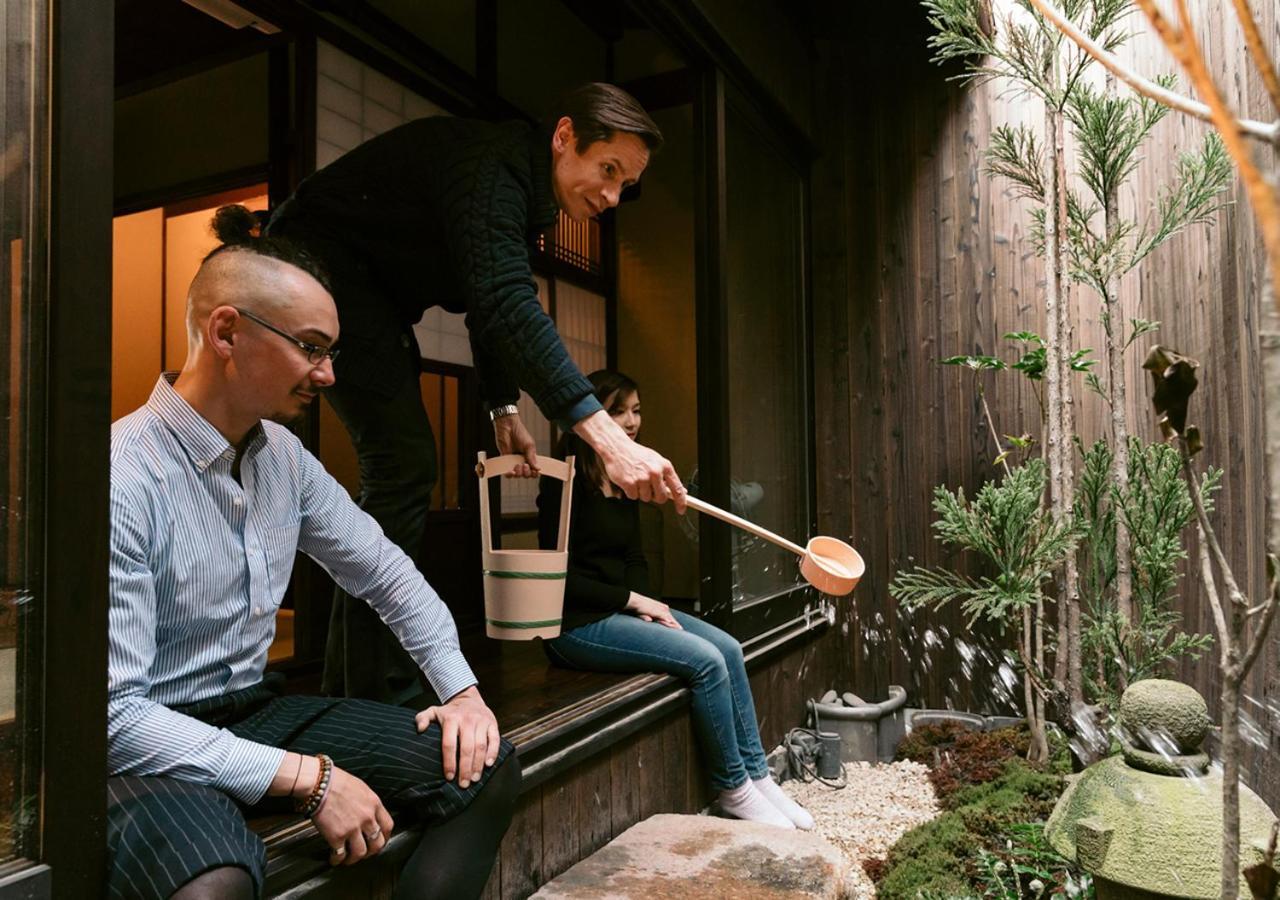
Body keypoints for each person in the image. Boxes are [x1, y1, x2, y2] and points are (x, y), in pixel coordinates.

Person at [107, 212, 518, 900]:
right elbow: (116, 717)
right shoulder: (123, 473)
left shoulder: (286, 460)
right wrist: (313, 780)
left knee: (482, 763)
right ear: (227, 332)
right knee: (214, 890)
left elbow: (384, 572)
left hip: (258, 709)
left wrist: (463, 692)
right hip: (153, 738)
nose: (328, 374)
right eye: (311, 347)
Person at [265, 82, 687, 703]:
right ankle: (375, 695)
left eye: (625, 183)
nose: (611, 195)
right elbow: (503, 302)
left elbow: (490, 300)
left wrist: (502, 406)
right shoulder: (494, 168)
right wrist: (606, 438)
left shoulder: (527, 197)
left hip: (377, 300)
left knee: (402, 472)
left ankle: (355, 692)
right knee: (404, 467)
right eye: (607, 170)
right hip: (317, 269)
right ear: (564, 137)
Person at [536, 371, 813, 831]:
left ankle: (759, 778)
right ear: (588, 419)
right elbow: (559, 582)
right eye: (617, 411)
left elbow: (633, 557)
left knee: (726, 645)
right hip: (576, 625)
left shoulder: (625, 476)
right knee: (705, 662)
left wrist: (649, 603)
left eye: (636, 410)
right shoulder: (561, 483)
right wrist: (634, 603)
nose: (630, 422)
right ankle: (733, 789)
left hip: (623, 610)